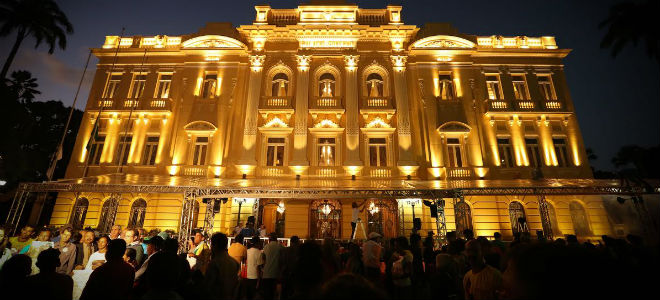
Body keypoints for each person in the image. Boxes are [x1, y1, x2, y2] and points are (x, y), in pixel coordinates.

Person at [204, 232, 240, 300]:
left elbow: (209, 286)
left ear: (215, 246)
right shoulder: (234, 262)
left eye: (212, 244)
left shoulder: (214, 263)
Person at [261, 232, 283, 300]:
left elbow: (263, 259)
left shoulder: (266, 247)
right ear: (276, 239)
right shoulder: (280, 246)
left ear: (269, 239)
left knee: (268, 294)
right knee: (275, 294)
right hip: (276, 273)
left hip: (267, 273)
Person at [245, 235, 263, 300]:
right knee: (254, 295)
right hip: (254, 276)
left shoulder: (247, 251)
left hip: (247, 276)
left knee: (248, 295)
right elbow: (258, 268)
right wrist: (258, 281)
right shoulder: (259, 252)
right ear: (258, 243)